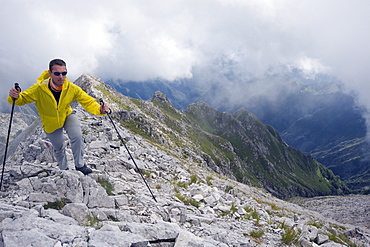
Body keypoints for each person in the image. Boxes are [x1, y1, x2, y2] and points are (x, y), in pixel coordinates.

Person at [7, 58, 109, 175]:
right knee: (58, 147)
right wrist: (14, 96)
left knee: (77, 136)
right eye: (57, 73)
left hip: (67, 114)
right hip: (50, 121)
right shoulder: (39, 88)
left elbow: (87, 101)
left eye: (64, 73)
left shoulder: (71, 87)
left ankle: (80, 165)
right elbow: (21, 99)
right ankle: (64, 169)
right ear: (50, 73)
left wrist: (99, 109)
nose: (61, 76)